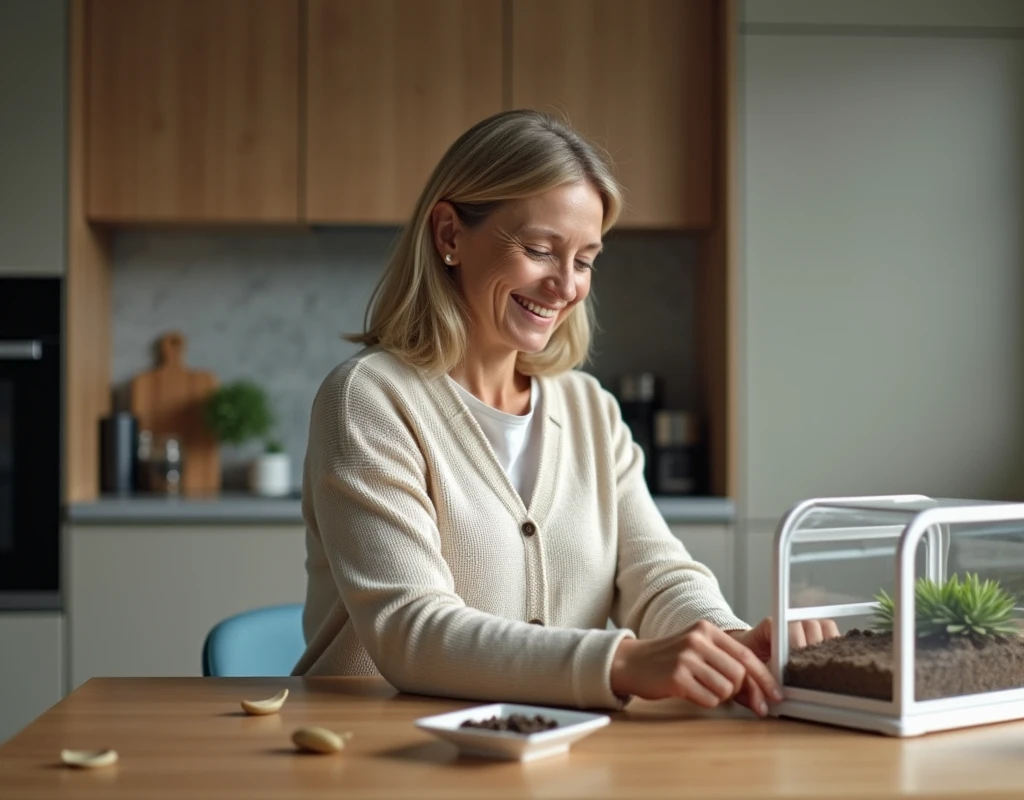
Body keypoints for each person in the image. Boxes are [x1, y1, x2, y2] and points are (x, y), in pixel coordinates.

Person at [292, 109, 837, 717]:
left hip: (554, 757)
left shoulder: (589, 410)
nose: (565, 286)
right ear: (449, 235)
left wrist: (727, 643)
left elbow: (656, 575)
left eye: (584, 260)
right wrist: (621, 663)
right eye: (539, 250)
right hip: (380, 754)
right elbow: (411, 630)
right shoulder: (369, 399)